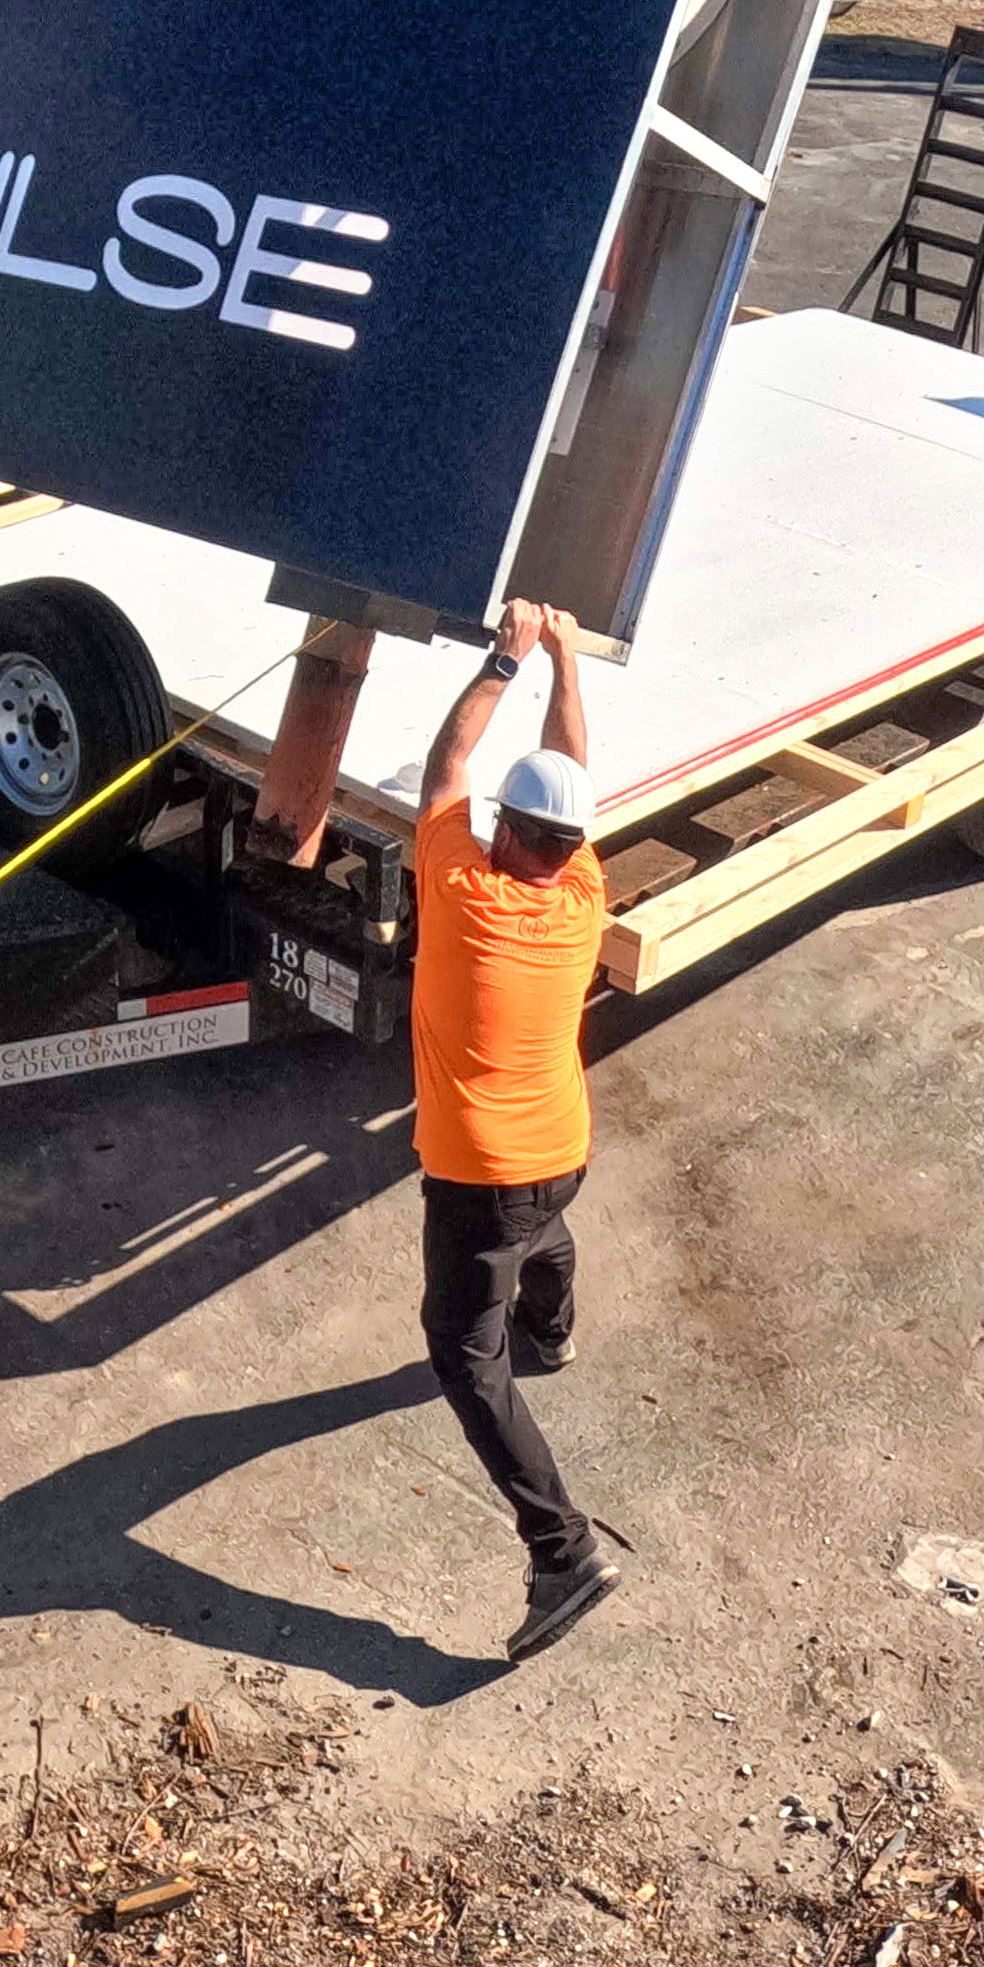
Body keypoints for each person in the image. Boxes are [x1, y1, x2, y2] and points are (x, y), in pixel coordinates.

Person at [409, 599, 625, 1664]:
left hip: (481, 1173)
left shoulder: (458, 891)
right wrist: (569, 666)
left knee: (459, 1352)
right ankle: (552, 1329)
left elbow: (446, 761)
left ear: (503, 831)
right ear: (574, 845)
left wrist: (512, 655)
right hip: (558, 1153)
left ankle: (561, 1550)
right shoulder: (582, 893)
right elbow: (564, 769)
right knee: (539, 1230)